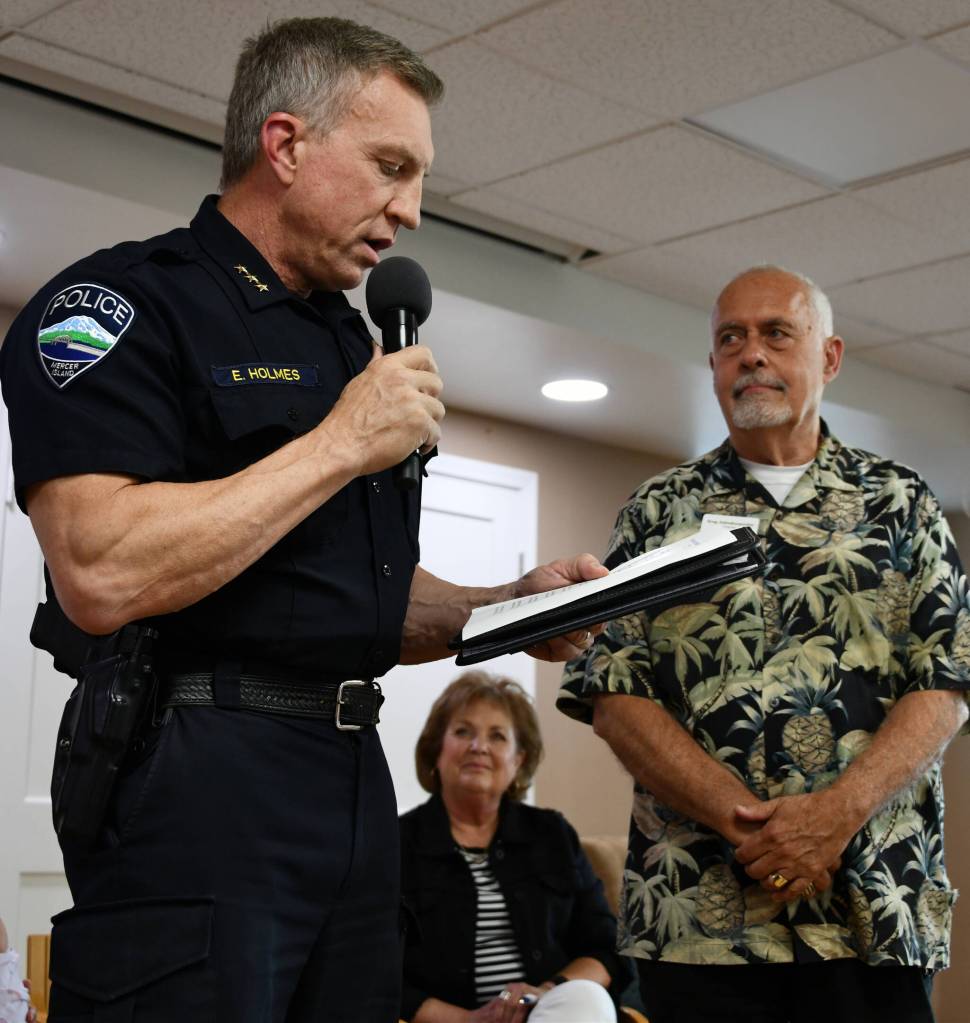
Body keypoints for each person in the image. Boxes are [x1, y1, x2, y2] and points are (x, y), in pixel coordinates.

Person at [0, 17, 606, 1023]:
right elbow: (99, 571)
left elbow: (345, 593)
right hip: (198, 769)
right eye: (388, 166)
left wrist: (501, 606)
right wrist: (339, 443)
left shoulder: (346, 343)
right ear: (285, 146)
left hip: (351, 779)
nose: (408, 211)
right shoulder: (118, 305)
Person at [558, 266, 970, 1023]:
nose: (751, 354)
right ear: (713, 364)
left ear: (830, 356)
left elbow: (945, 685)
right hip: (699, 920)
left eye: (776, 333)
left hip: (871, 913)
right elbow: (613, 692)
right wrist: (750, 825)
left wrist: (832, 816)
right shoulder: (658, 511)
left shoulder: (904, 504)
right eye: (730, 339)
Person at [399, 672, 628, 1023]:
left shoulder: (552, 835)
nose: (479, 747)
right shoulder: (398, 843)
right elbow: (378, 973)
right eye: (463, 732)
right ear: (436, 750)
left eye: (498, 736)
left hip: (548, 1014)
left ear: (519, 760)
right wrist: (470, 1020)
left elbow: (606, 949)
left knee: (587, 1000)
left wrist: (546, 991)